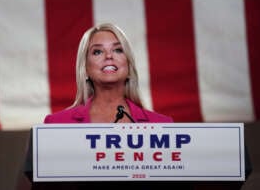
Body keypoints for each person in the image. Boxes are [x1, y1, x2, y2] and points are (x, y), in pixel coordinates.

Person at [44, 22, 172, 124]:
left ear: (128, 64)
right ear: (85, 69)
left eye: (117, 50)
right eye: (98, 52)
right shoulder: (57, 124)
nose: (109, 56)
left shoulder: (161, 125)